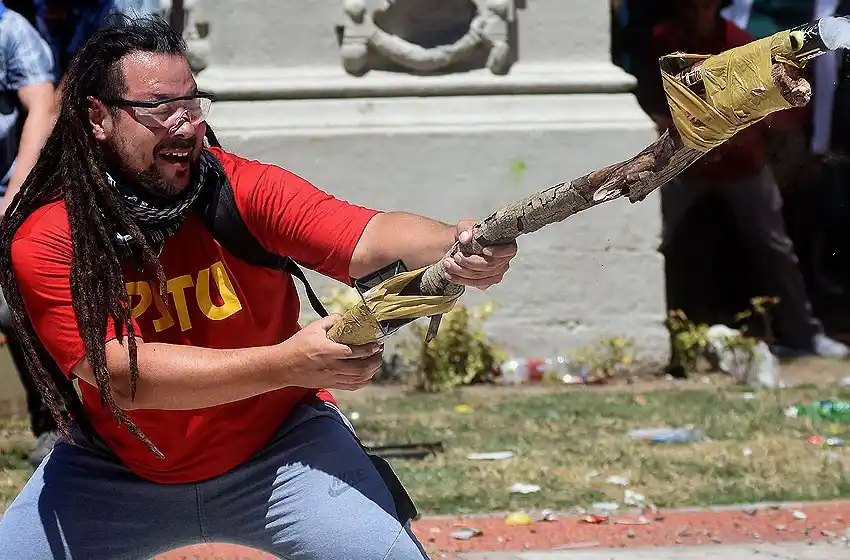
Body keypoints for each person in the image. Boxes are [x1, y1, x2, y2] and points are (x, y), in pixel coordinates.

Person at [0, 14, 518, 560]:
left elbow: (365, 235)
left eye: (192, 104)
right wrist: (288, 363)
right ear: (98, 117)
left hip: (281, 451)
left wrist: (453, 242)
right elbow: (122, 378)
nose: (184, 125)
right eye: (158, 109)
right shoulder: (50, 236)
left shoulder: (237, 187)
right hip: (113, 469)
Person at [641, 0, 849, 360]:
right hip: (681, 161)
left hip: (741, 160)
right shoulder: (664, 39)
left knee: (775, 246)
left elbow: (773, 108)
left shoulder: (738, 39)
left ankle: (804, 333)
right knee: (657, 240)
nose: (701, 10)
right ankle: (660, 335)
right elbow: (653, 99)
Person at [0, 2, 59, 467]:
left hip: (7, 195)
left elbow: (42, 104)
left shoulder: (10, 30)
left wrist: (17, 193)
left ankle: (53, 424)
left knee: (12, 310)